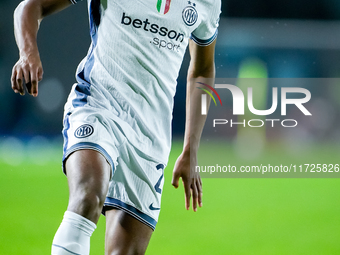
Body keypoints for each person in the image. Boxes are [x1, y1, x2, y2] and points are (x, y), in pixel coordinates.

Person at [11, 0, 221, 254]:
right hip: (98, 105)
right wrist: (28, 53)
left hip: (150, 136)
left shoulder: (207, 3)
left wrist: (191, 148)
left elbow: (202, 69)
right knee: (88, 195)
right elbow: (30, 7)